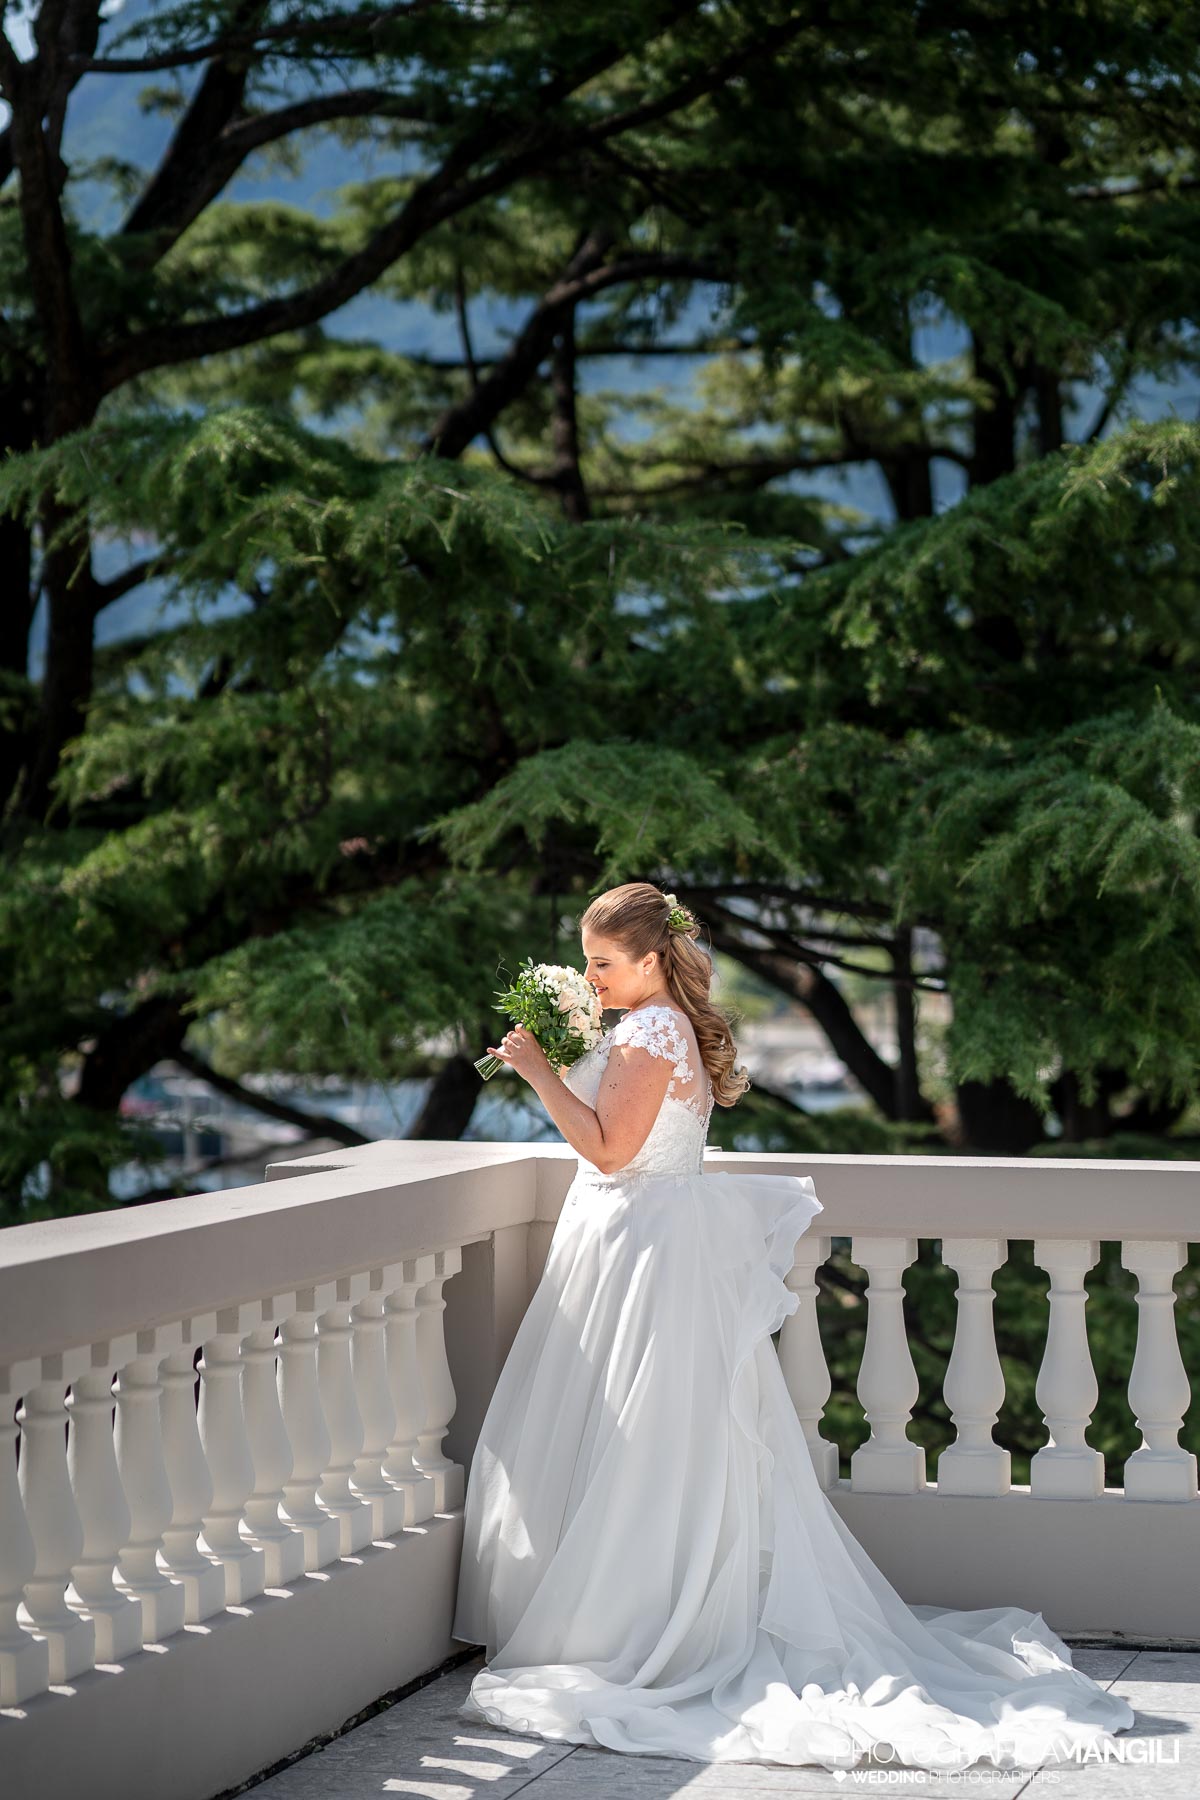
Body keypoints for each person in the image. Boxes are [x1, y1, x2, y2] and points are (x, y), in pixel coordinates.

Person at [451, 882, 1136, 1773]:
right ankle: (643, 1605)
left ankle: (635, 1622)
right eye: (589, 964)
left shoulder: (653, 1028)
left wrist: (541, 1070)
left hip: (641, 1244)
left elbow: (613, 1150)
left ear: (653, 960)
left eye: (605, 964)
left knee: (644, 1437)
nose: (594, 977)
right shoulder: (657, 1026)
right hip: (641, 1240)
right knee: (663, 1438)